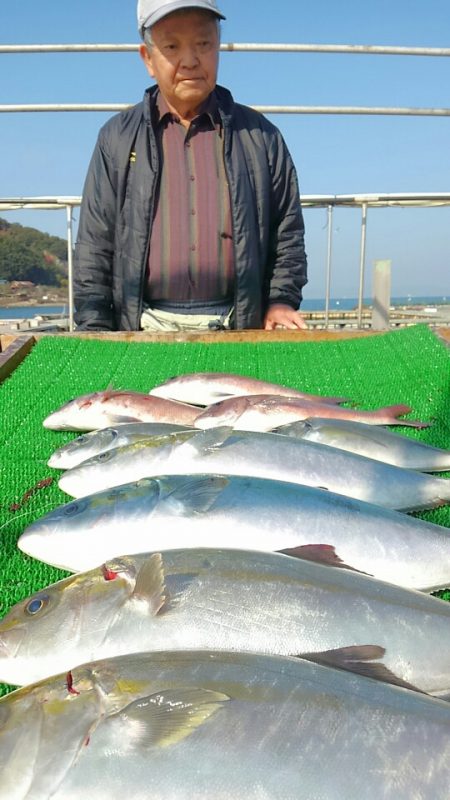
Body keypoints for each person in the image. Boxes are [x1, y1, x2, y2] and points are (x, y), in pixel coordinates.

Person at [73, 0, 308, 332]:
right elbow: (94, 245)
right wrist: (94, 324)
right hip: (143, 326)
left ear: (218, 49)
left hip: (238, 324)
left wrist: (281, 301)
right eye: (172, 46)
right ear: (147, 59)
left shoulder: (261, 135)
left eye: (203, 44)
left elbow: (287, 232)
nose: (190, 60)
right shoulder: (116, 138)